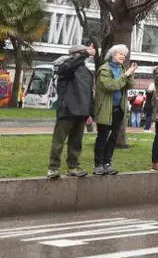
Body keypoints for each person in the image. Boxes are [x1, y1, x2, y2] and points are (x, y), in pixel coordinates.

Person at [47, 44, 95, 179]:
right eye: (82, 53)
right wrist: (86, 53)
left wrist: (90, 114)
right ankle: (53, 168)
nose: (85, 55)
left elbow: (89, 94)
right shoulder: (65, 66)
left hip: (82, 112)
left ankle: (73, 167)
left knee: (76, 142)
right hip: (67, 110)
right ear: (75, 54)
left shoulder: (87, 72)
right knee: (58, 141)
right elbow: (70, 67)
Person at [93, 45, 137, 175]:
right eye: (120, 54)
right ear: (112, 55)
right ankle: (98, 165)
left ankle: (107, 163)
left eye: (124, 54)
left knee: (113, 138)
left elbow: (130, 85)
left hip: (119, 109)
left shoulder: (123, 69)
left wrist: (131, 74)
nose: (123, 56)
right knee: (102, 137)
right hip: (106, 109)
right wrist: (126, 75)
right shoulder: (104, 69)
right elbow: (110, 86)